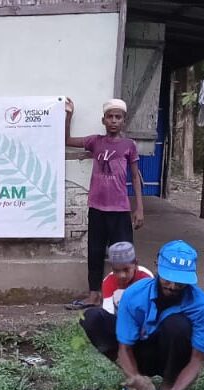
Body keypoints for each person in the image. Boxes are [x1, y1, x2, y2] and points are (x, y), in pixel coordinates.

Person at [80, 240, 204, 390]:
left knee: (177, 324)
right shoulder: (134, 294)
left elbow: (198, 359)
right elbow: (125, 347)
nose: (173, 286)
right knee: (92, 318)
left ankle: (169, 386)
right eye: (168, 279)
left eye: (180, 282)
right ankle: (140, 380)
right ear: (157, 266)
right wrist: (135, 378)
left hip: (175, 355)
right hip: (143, 352)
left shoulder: (202, 305)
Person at [65, 97, 145, 310]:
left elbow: (136, 177)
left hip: (120, 209)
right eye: (110, 117)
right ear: (103, 120)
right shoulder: (95, 141)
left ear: (123, 121)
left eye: (118, 117)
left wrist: (139, 208)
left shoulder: (129, 146)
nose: (113, 120)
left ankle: (126, 297)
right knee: (95, 252)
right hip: (97, 208)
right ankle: (94, 296)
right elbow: (67, 140)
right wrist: (69, 116)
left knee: (125, 255)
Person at [99, 241, 154, 314]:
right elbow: (108, 312)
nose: (122, 275)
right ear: (111, 268)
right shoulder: (108, 281)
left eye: (126, 270)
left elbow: (150, 308)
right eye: (116, 271)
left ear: (136, 265)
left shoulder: (146, 278)